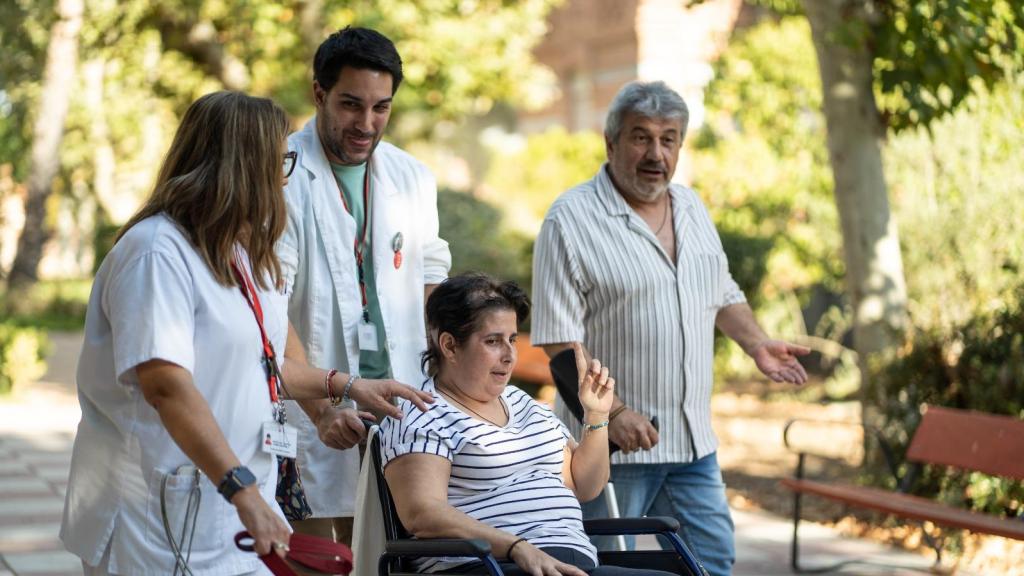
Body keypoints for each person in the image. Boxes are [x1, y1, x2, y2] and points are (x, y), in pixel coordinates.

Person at [60, 91, 432, 575]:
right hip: (159, 509)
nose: (286, 175)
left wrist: (347, 386)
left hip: (230, 505)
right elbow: (166, 385)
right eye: (280, 160)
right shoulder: (155, 253)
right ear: (241, 165)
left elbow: (265, 362)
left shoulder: (240, 253)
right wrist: (243, 491)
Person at [531, 81, 810, 576]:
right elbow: (558, 341)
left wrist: (756, 344)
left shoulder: (692, 208)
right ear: (611, 143)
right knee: (610, 569)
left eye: (669, 139)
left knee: (712, 563)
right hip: (609, 451)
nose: (655, 153)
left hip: (693, 444)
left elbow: (721, 292)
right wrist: (612, 413)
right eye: (640, 137)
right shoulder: (569, 219)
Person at [276, 26, 452, 547]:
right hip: (313, 407)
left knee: (392, 552)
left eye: (382, 108)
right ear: (318, 94)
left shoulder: (412, 176)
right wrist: (321, 408)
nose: (367, 123)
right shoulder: (279, 174)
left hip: (400, 401)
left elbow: (430, 278)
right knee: (317, 554)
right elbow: (268, 303)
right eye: (352, 104)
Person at [380, 273, 677, 576]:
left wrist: (597, 416)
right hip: (490, 565)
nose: (509, 355)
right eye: (493, 341)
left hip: (569, 562)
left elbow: (585, 486)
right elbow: (422, 514)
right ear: (450, 346)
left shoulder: (523, 403)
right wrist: (516, 547)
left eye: (511, 339)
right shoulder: (423, 412)